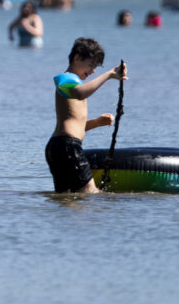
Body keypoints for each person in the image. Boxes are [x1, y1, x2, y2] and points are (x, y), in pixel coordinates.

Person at [45, 37, 127, 194]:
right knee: (91, 193)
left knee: (66, 198)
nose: (93, 71)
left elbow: (75, 126)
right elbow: (80, 93)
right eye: (91, 65)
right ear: (76, 58)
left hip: (60, 147)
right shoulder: (66, 78)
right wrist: (109, 75)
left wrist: (97, 122)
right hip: (67, 147)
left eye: (96, 67)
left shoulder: (75, 82)